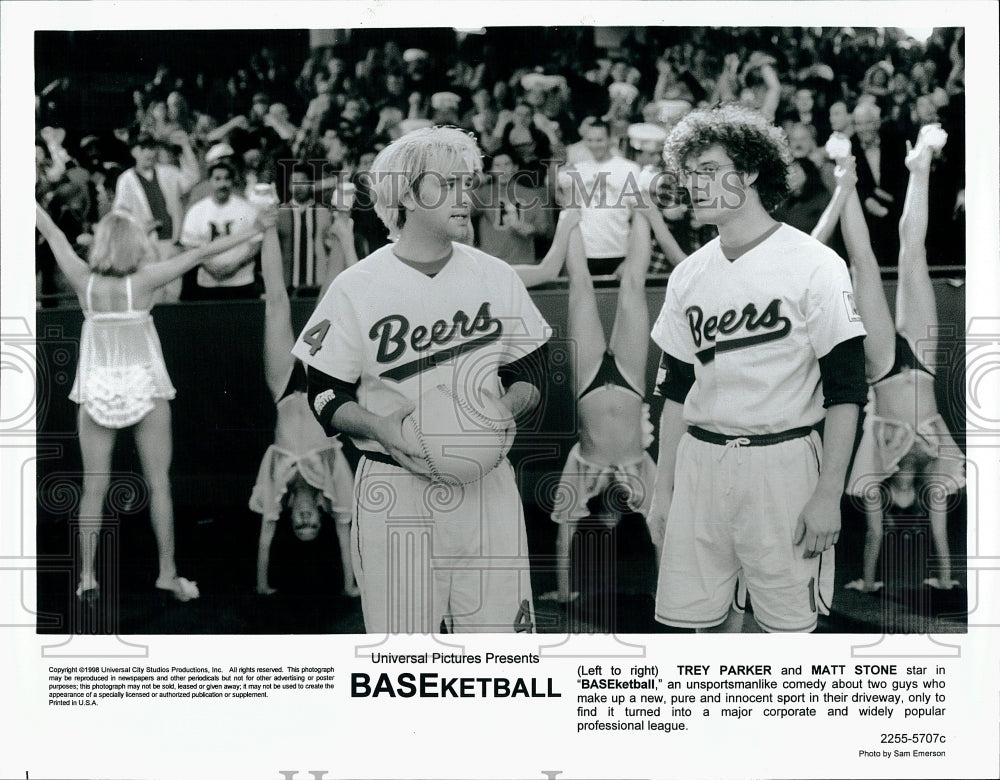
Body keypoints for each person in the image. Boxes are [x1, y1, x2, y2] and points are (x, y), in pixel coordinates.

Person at [291, 127, 550, 634]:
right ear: (407, 194)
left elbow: (533, 374)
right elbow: (323, 393)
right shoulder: (355, 286)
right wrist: (380, 426)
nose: (465, 196)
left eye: (467, 182)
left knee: (502, 653)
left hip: (485, 479)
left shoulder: (496, 275)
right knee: (407, 653)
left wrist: (501, 409)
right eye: (448, 183)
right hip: (395, 481)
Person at [647, 105, 868, 633]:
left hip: (784, 462)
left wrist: (827, 493)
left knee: (785, 635)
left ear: (747, 172)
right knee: (699, 633)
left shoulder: (814, 262)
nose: (694, 185)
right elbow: (676, 391)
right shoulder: (688, 274)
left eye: (709, 170)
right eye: (689, 172)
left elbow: (846, 391)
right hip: (700, 459)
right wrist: (663, 489)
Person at [34, 200, 275, 604]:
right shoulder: (145, 281)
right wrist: (257, 227)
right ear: (134, 244)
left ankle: (87, 577)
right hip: (144, 384)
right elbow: (200, 252)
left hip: (97, 386)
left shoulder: (82, 279)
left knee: (94, 487)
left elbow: (53, 232)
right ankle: (167, 573)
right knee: (158, 483)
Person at [831, 126, 965, 594]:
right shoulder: (935, 470)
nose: (907, 494)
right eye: (912, 497)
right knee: (914, 258)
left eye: (902, 496)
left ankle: (845, 175)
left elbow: (872, 533)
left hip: (885, 370)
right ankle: (920, 170)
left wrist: (868, 583)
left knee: (862, 266)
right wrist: (945, 580)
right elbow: (941, 538)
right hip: (922, 365)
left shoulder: (876, 472)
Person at [518, 210, 658, 603]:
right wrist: (563, 594)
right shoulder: (641, 471)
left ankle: (577, 210)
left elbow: (565, 528)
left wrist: (564, 593)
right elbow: (659, 530)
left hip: (590, 386)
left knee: (586, 287)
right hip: (629, 384)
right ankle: (633, 210)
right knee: (626, 286)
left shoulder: (582, 468)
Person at [249, 205, 358, 597]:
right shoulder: (333, 483)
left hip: (282, 387)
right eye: (312, 525)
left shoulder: (276, 489)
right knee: (329, 301)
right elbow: (346, 538)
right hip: (315, 380)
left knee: (275, 302)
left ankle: (267, 226)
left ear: (292, 520)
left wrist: (263, 585)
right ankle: (341, 217)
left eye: (300, 526)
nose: (306, 520)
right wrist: (349, 585)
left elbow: (264, 538)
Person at [112, 131, 199, 302]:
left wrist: (185, 146)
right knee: (152, 296)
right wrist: (141, 227)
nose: (149, 153)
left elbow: (192, 177)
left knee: (173, 294)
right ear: (134, 152)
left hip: (171, 243)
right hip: (146, 246)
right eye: (143, 148)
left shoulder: (168, 173)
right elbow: (120, 214)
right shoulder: (126, 180)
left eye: (152, 148)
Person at [180, 159, 262, 300]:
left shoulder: (246, 209)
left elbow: (257, 242)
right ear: (210, 181)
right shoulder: (197, 210)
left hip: (241, 281)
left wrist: (236, 265)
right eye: (217, 179)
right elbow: (189, 245)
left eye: (227, 179)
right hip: (208, 282)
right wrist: (209, 267)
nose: (222, 184)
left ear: (232, 182)